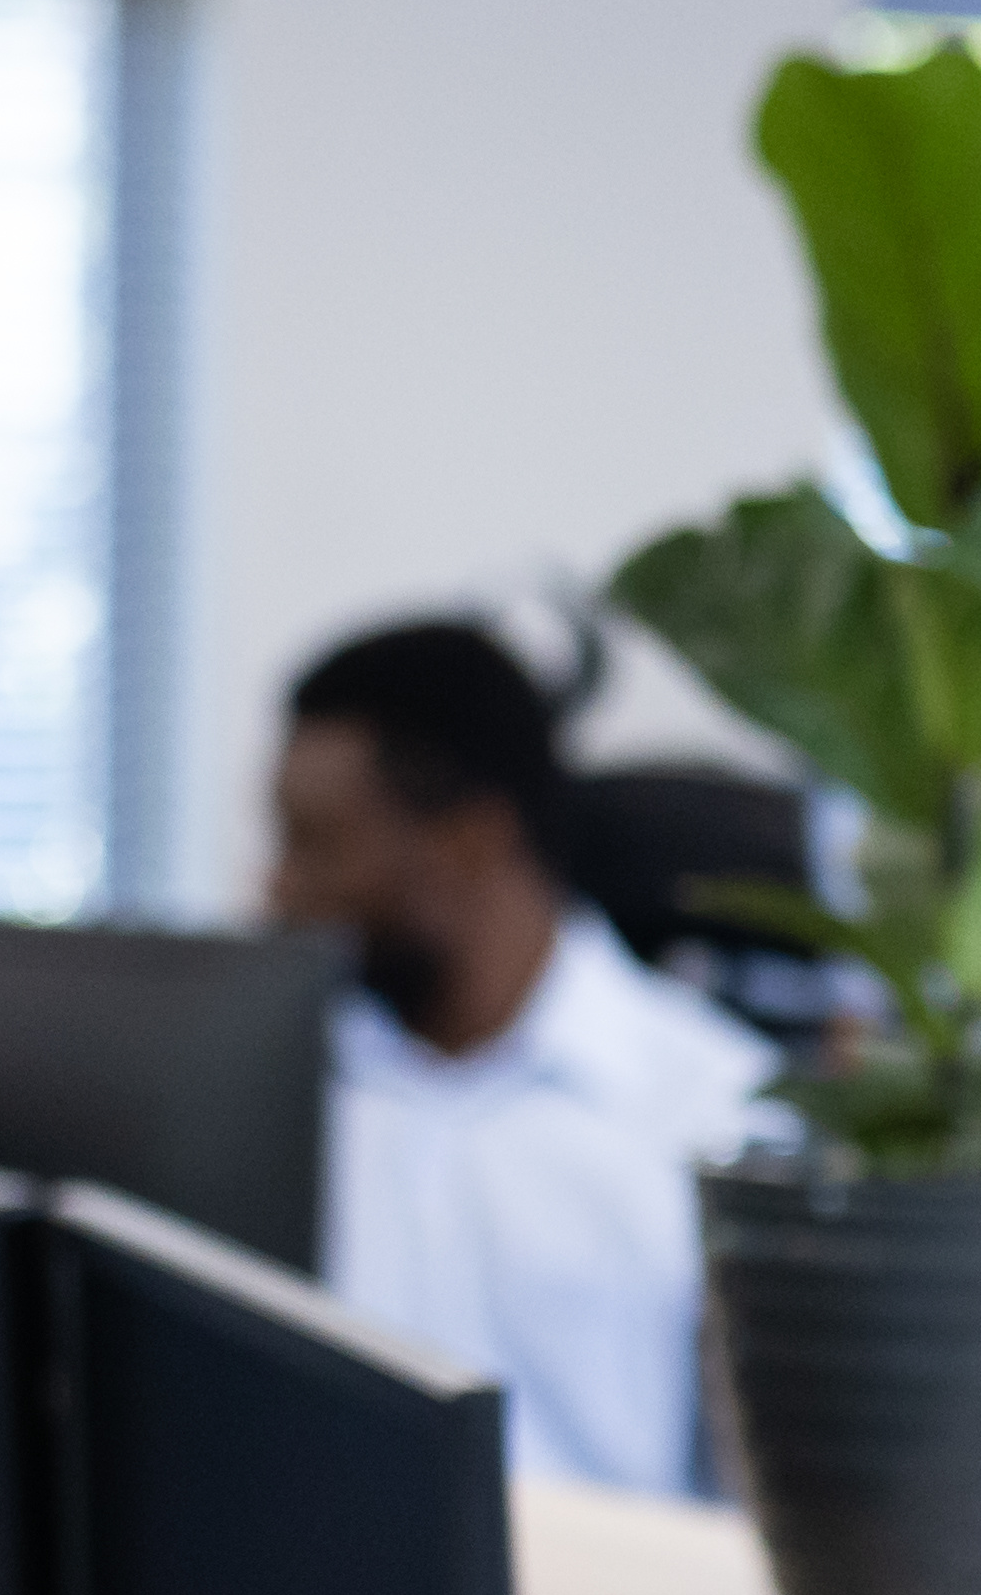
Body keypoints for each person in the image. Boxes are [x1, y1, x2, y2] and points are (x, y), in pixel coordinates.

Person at [258, 613, 781, 1498]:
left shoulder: (716, 1116)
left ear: (471, 840)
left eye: (315, 846)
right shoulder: (269, 1095)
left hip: (602, 1583)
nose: (275, 889)